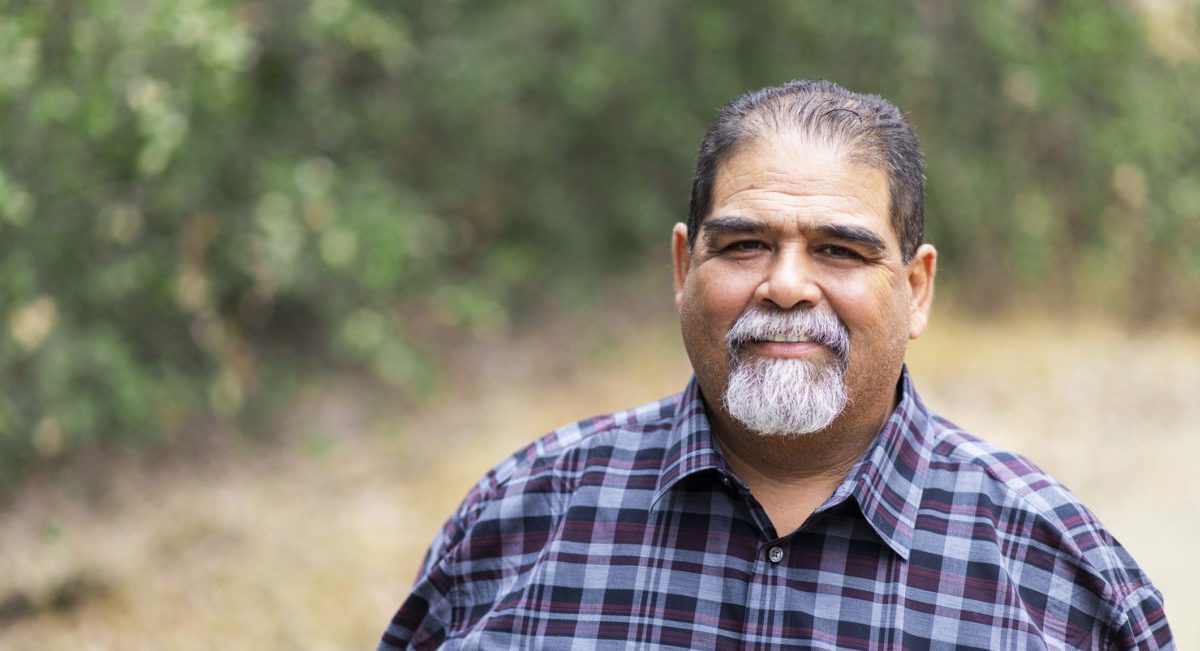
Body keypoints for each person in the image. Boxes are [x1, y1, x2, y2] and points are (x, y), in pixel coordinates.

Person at [376, 80, 1173, 650]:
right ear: (684, 267)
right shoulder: (518, 523)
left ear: (917, 288)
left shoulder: (1058, 578)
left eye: (838, 249)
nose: (787, 285)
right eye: (746, 243)